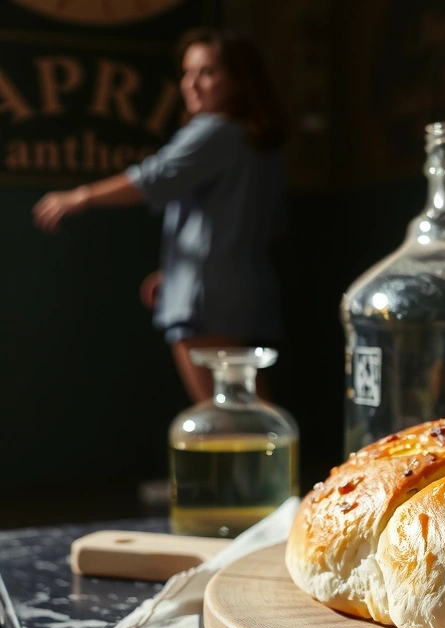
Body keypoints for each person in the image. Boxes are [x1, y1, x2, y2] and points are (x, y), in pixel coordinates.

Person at [33, 28, 289, 403]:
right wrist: (177, 270)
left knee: (229, 416)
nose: (192, 85)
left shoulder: (215, 131)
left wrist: (80, 196)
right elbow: (234, 224)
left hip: (206, 298)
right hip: (237, 291)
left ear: (238, 80)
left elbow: (153, 178)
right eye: (187, 72)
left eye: (207, 72)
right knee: (243, 409)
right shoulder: (255, 142)